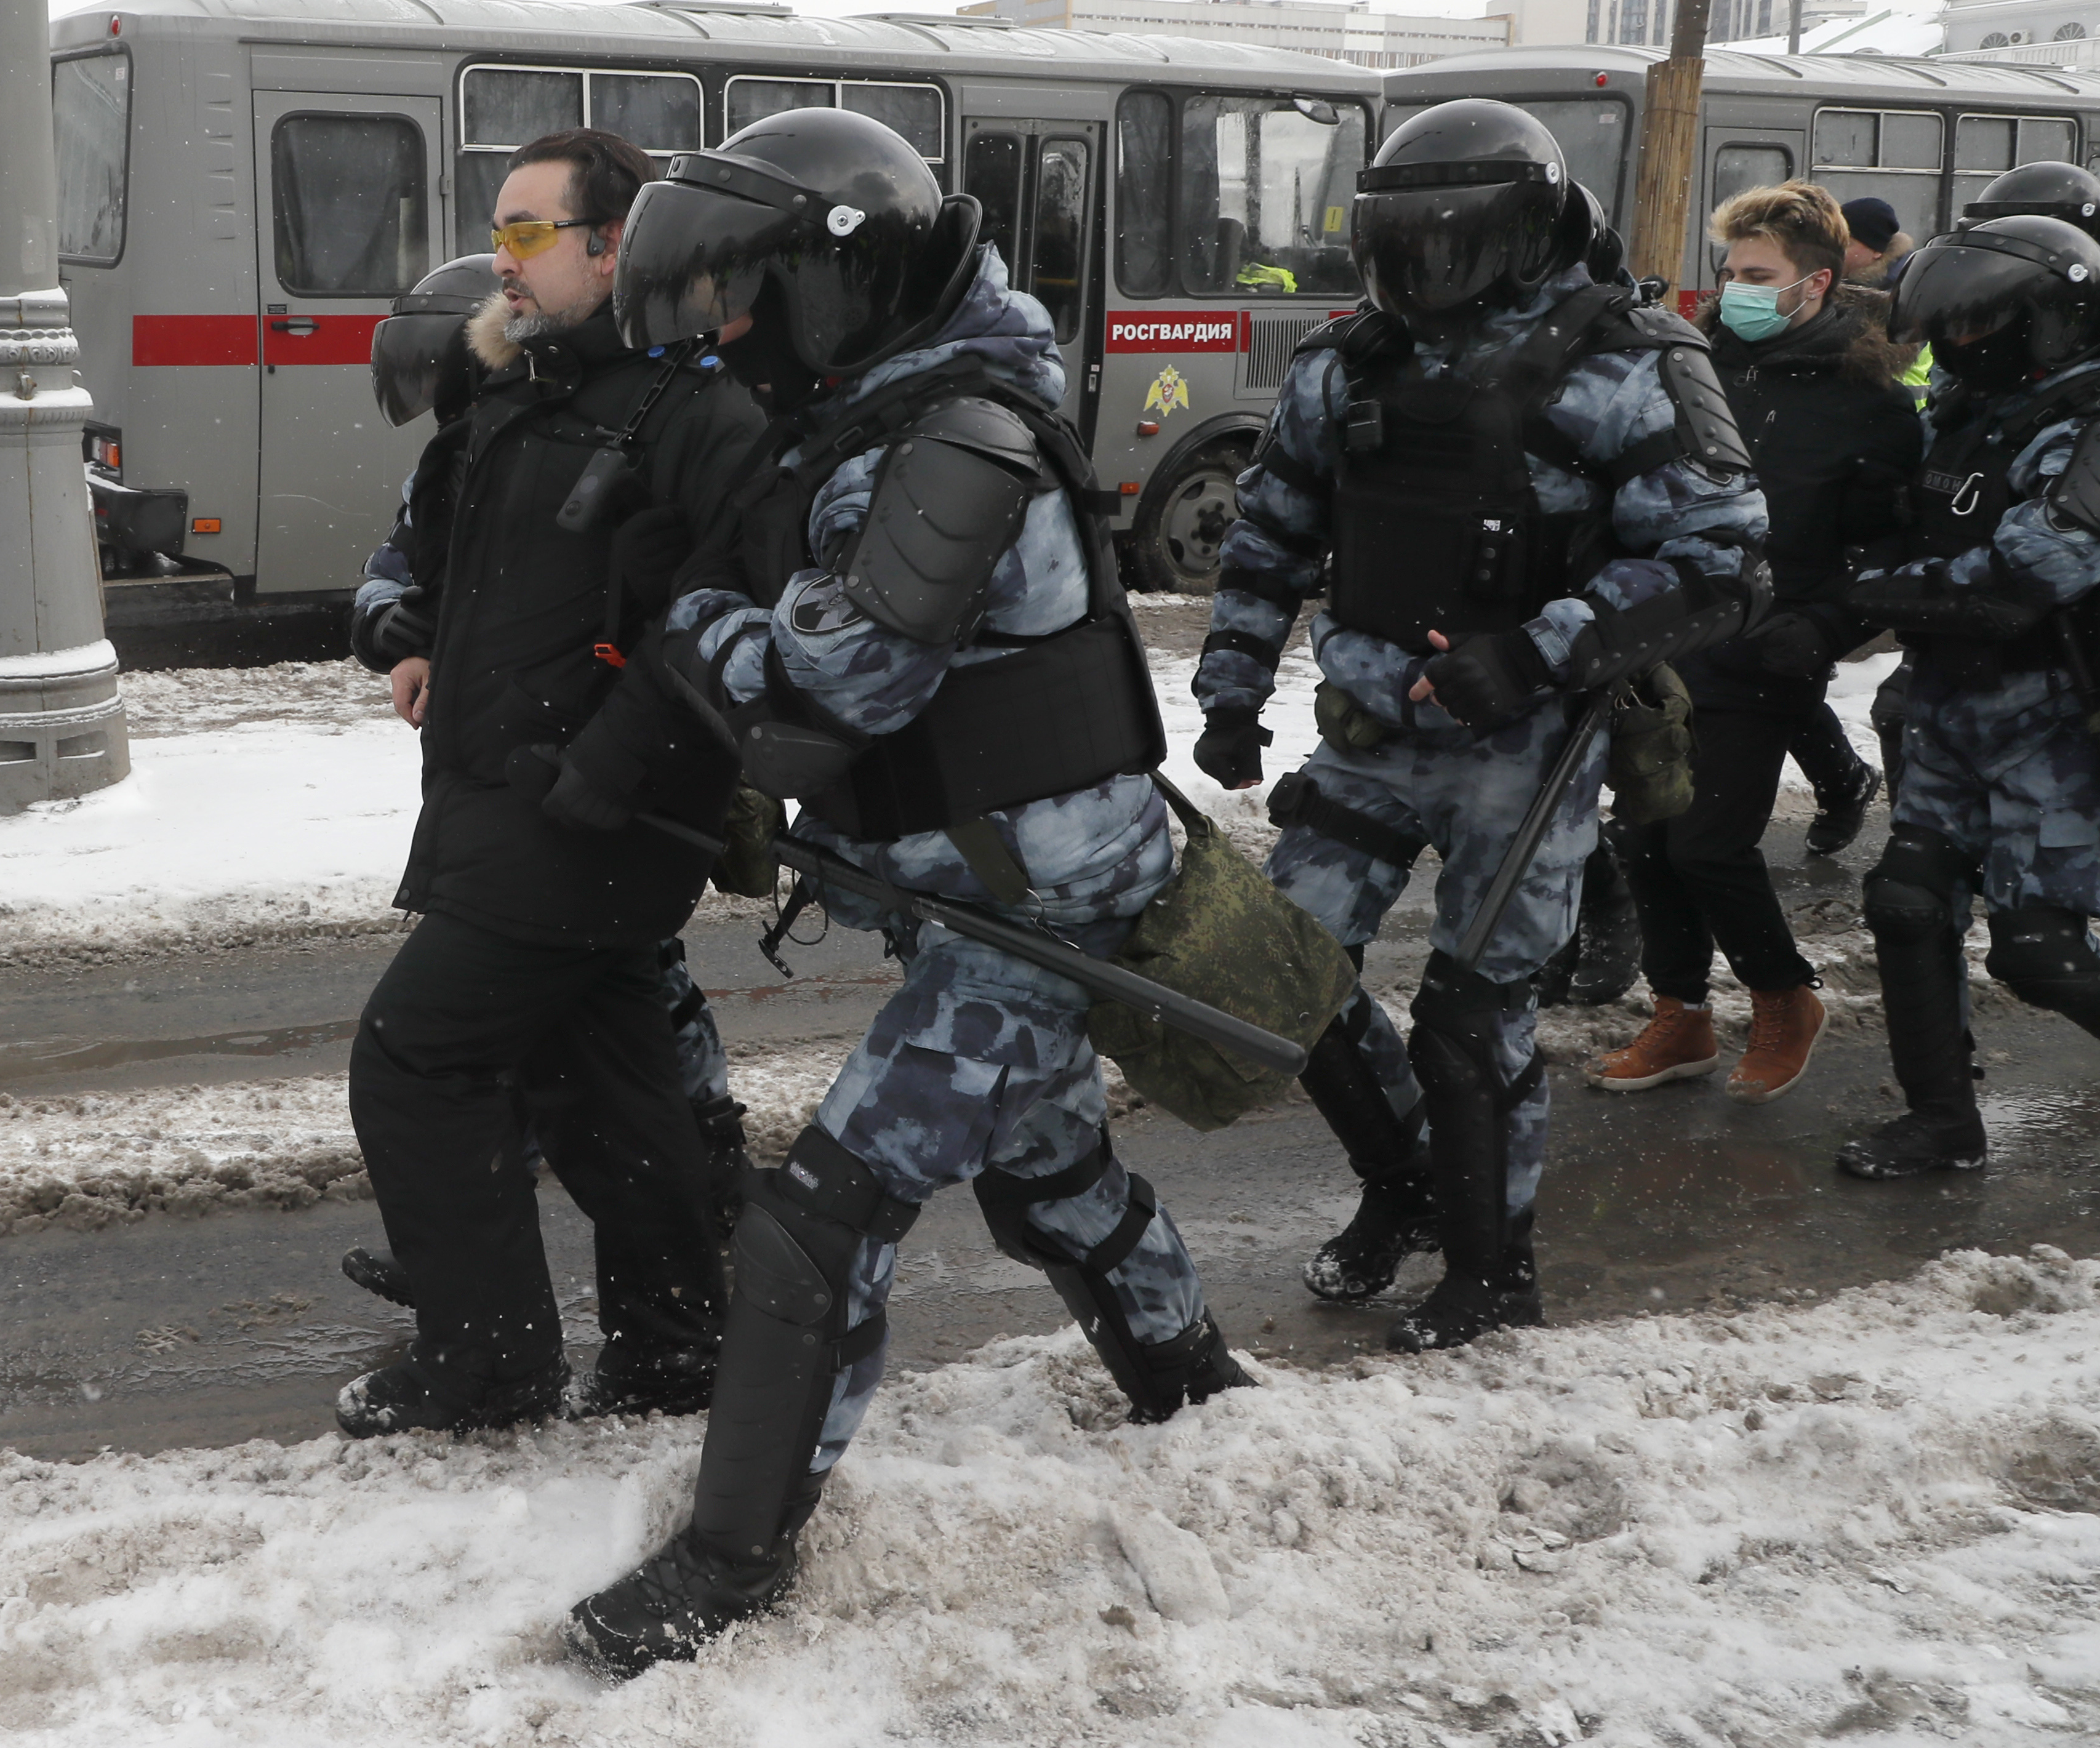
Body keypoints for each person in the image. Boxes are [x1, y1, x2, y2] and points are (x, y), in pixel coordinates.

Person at [567, 108, 1249, 1672]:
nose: (729, 329)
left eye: (750, 294)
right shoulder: (877, 411)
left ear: (843, 282)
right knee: (1052, 1177)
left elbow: (833, 691)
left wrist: (694, 619)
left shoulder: (959, 435)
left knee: (824, 1210)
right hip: (986, 887)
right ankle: (1196, 1392)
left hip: (1040, 907)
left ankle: (731, 1558)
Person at [1194, 100, 1769, 1349]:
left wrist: (1532, 653)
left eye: (1449, 242)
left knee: (1470, 1018)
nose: (1422, 270)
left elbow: (1722, 564)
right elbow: (1272, 530)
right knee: (1278, 975)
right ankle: (1404, 1187)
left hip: (1529, 743)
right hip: (1370, 730)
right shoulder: (1350, 358)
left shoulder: (1630, 359)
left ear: (1523, 232)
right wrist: (1231, 686)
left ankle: (1493, 1269)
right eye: (1402, 243)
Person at [337, 130, 768, 1437]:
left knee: (415, 1060)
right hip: (515, 800)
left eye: (529, 233)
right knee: (611, 1091)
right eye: (502, 230)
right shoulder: (523, 395)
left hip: (581, 817)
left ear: (612, 250)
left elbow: (730, 617)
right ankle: (674, 1350)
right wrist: (411, 639)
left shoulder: (696, 414)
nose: (502, 258)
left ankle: (489, 1366)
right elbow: (464, 572)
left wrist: (602, 766)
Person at [1593, 184, 1922, 1105]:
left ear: (1816, 283)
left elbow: (1886, 550)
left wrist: (1821, 626)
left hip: (1772, 646)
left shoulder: (1873, 405)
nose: (1735, 288)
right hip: (1669, 635)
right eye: (1729, 271)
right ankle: (1682, 1015)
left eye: (1758, 274)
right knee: (1647, 837)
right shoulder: (1692, 367)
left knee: (1706, 845)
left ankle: (1785, 998)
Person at [1837, 215, 2100, 1178]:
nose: (1959, 345)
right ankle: (1942, 1122)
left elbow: (2032, 571)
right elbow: (1907, 521)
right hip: (1950, 704)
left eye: (1981, 325)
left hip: (2055, 719)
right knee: (1906, 904)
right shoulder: (1962, 411)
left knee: (2037, 950)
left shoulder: (2086, 420)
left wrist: (1870, 592)